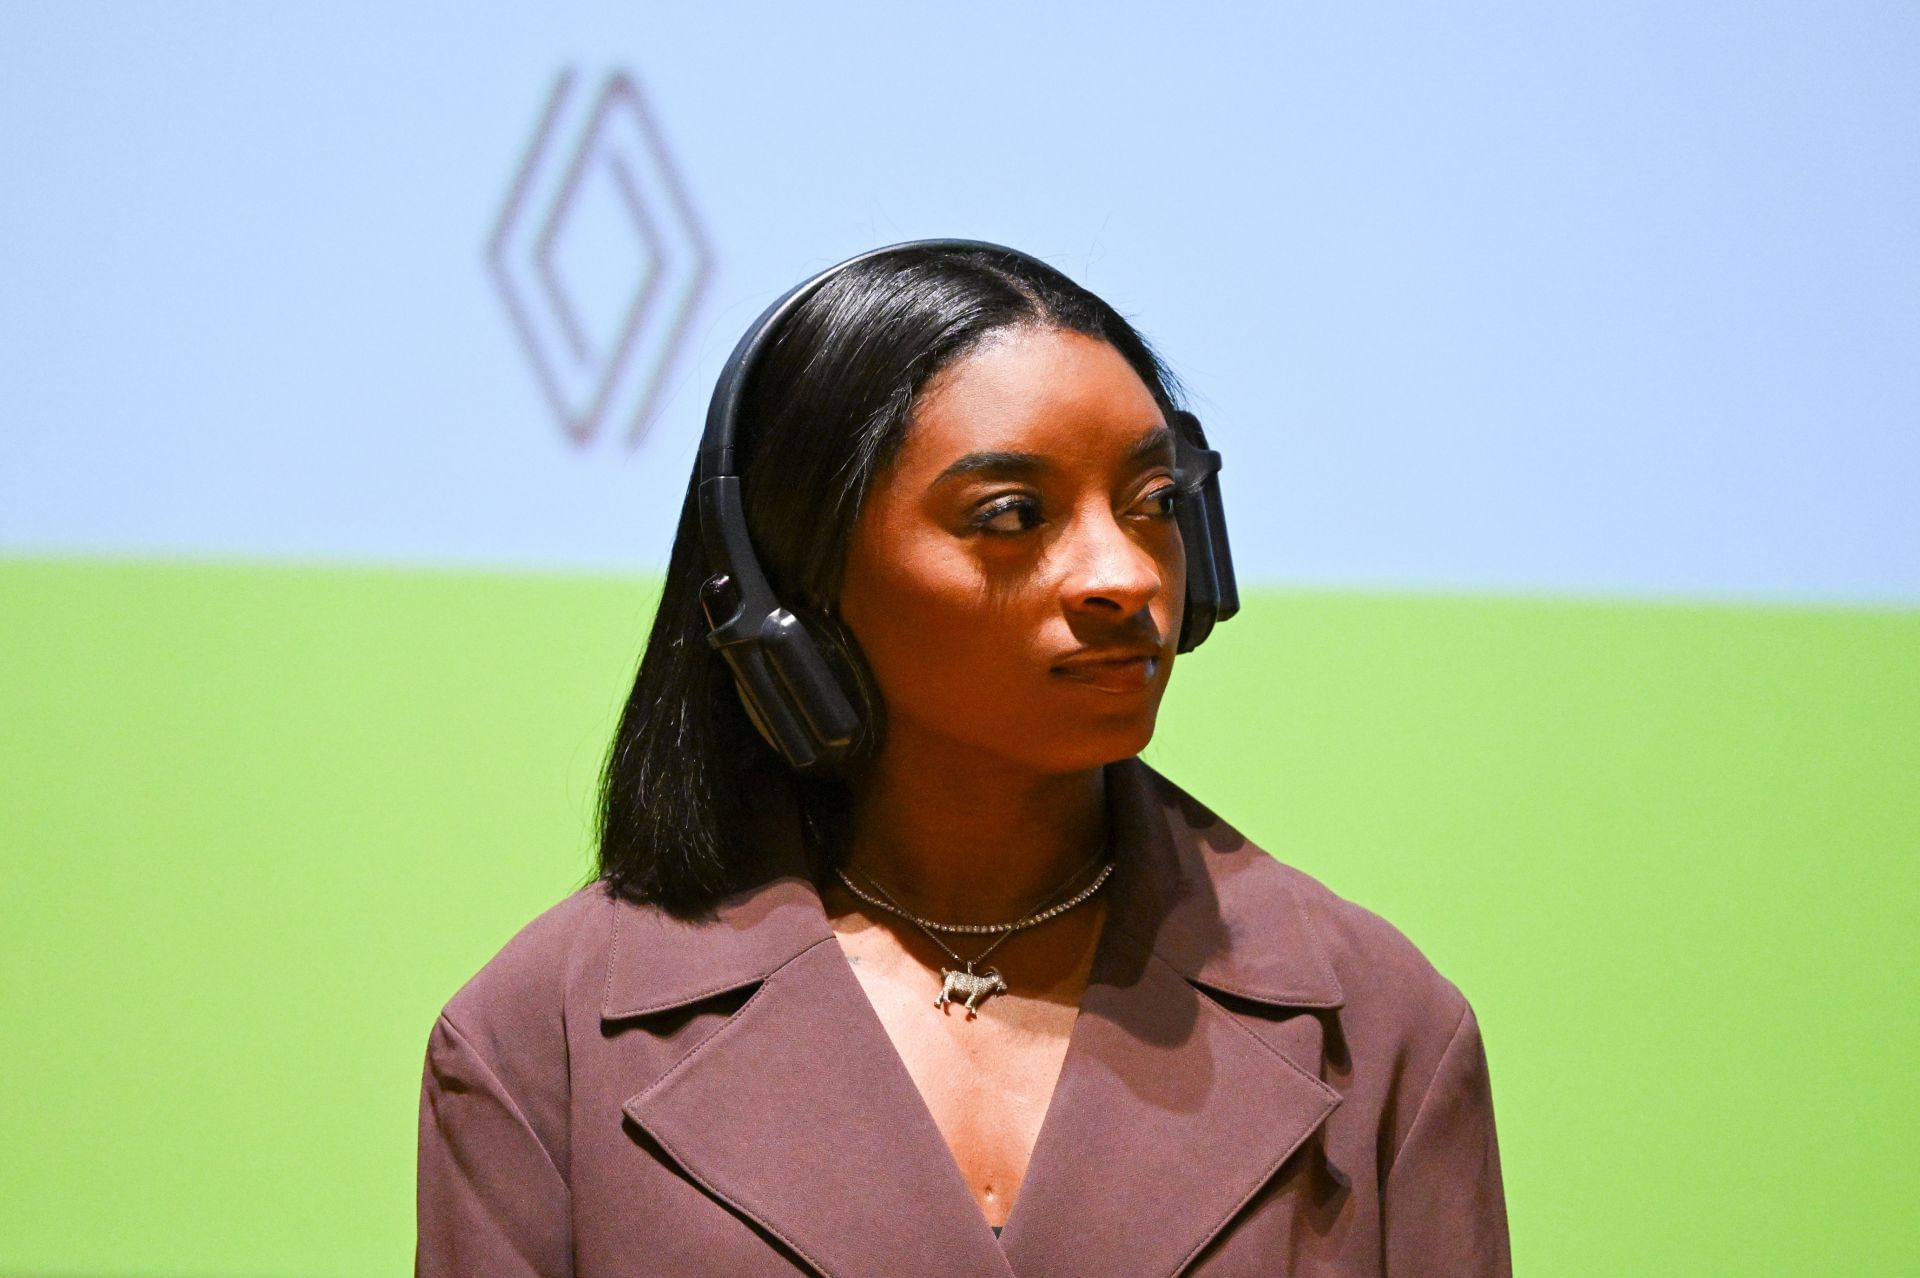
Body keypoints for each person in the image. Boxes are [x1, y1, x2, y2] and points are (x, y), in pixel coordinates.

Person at [416, 241, 1511, 1277]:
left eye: (1156, 505)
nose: (1126, 575)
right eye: (1012, 515)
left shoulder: (1379, 1022)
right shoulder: (541, 1036)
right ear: (792, 587)